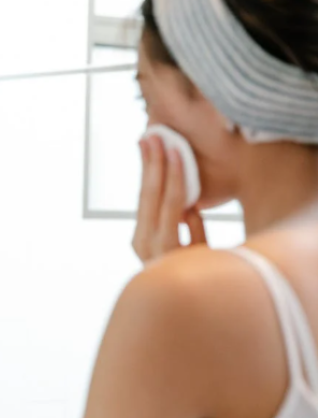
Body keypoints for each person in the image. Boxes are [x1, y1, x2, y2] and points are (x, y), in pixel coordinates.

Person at [84, 0, 318, 417]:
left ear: (219, 84)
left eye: (146, 97)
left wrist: (173, 292)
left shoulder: (183, 300)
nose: (148, 130)